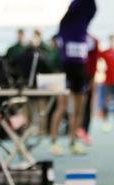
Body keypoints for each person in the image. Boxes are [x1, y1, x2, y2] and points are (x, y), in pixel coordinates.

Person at [48, 0, 96, 156]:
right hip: (66, 68)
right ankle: (54, 142)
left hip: (80, 70)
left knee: (79, 109)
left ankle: (73, 141)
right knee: (62, 107)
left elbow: (91, 7)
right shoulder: (65, 26)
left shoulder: (85, 27)